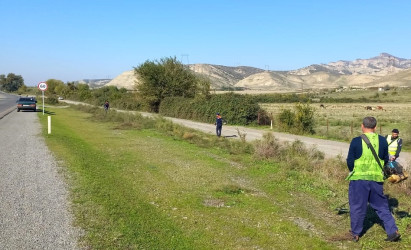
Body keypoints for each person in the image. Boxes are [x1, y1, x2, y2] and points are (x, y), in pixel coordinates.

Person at [346, 117, 400, 242]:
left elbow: (350, 161)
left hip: (359, 180)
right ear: (375, 127)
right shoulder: (382, 140)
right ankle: (393, 231)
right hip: (376, 180)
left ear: (362, 126)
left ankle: (355, 234)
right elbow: (386, 160)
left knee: (357, 207)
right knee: (382, 206)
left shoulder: (355, 141)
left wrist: (354, 170)